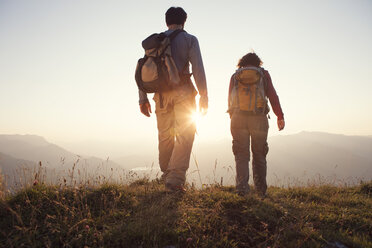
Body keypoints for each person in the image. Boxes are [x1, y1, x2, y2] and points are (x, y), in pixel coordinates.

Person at [138, 7, 208, 192]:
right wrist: (204, 95)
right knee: (185, 133)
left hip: (160, 96)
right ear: (184, 21)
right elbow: (198, 68)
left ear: (166, 21)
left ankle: (166, 174)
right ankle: (174, 179)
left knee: (165, 135)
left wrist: (142, 99)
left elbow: (145, 70)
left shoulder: (155, 42)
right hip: (183, 92)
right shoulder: (190, 40)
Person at [227, 52, 284, 197]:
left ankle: (242, 189)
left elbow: (230, 99)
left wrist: (233, 117)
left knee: (241, 155)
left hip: (238, 118)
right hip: (258, 118)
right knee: (259, 155)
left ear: (242, 63)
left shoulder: (235, 76)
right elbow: (272, 95)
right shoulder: (263, 74)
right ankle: (260, 191)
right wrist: (280, 116)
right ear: (258, 63)